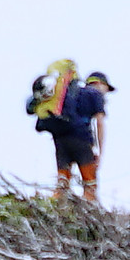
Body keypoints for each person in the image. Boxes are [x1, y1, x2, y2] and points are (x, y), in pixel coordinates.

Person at [37, 59, 112, 203]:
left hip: (60, 139)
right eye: (106, 88)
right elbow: (99, 124)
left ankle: (57, 209)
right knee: (90, 186)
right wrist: (99, 152)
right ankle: (89, 214)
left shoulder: (72, 93)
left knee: (62, 184)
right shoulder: (95, 95)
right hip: (81, 141)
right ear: (99, 83)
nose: (106, 92)